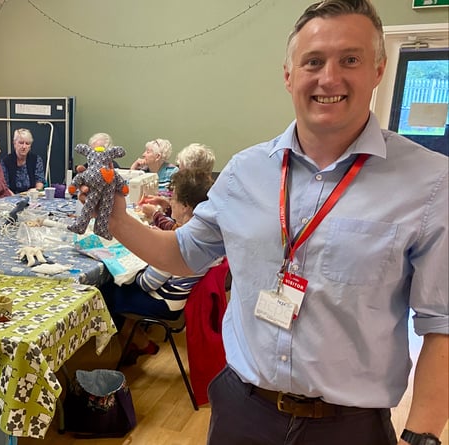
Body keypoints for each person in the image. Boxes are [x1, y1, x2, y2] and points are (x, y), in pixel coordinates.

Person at [103, 1, 448, 444]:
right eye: (313, 61)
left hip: (350, 427)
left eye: (350, 59)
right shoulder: (244, 172)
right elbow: (185, 255)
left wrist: (422, 436)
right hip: (242, 410)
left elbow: (441, 323)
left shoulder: (430, 182)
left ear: (378, 70)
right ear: (289, 75)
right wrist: (115, 218)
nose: (329, 77)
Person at [101, 169, 214, 364]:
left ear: (186, 206)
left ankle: (137, 340)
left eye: (174, 199)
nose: (171, 203)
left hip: (165, 303)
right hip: (182, 298)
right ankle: (134, 337)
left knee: (106, 291)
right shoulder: (205, 231)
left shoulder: (179, 243)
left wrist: (141, 260)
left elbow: (146, 283)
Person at [140, 143, 215, 217]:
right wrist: (167, 204)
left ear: (190, 172)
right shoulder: (208, 192)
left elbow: (176, 227)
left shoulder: (195, 196)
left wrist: (155, 214)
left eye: (180, 168)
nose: (178, 172)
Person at [2, 128, 45, 193]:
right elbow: (4, 186)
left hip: (32, 196)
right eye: (21, 143)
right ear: (14, 143)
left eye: (27, 143)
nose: (24, 147)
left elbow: (39, 181)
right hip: (12, 197)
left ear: (30, 146)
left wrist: (36, 191)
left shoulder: (36, 159)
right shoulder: (6, 161)